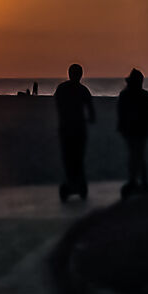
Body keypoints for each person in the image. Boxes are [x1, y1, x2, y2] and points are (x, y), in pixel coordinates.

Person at [54, 64, 95, 201]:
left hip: (66, 127)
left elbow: (58, 106)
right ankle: (77, 182)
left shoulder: (62, 89)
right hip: (78, 128)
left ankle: (71, 182)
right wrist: (89, 118)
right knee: (78, 157)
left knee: (68, 158)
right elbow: (91, 111)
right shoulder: (83, 90)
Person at [115, 69, 148, 197]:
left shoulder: (125, 95)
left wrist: (122, 127)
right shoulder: (144, 95)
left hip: (132, 130)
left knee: (135, 154)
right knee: (139, 155)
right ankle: (141, 180)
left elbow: (121, 113)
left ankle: (135, 180)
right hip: (139, 130)